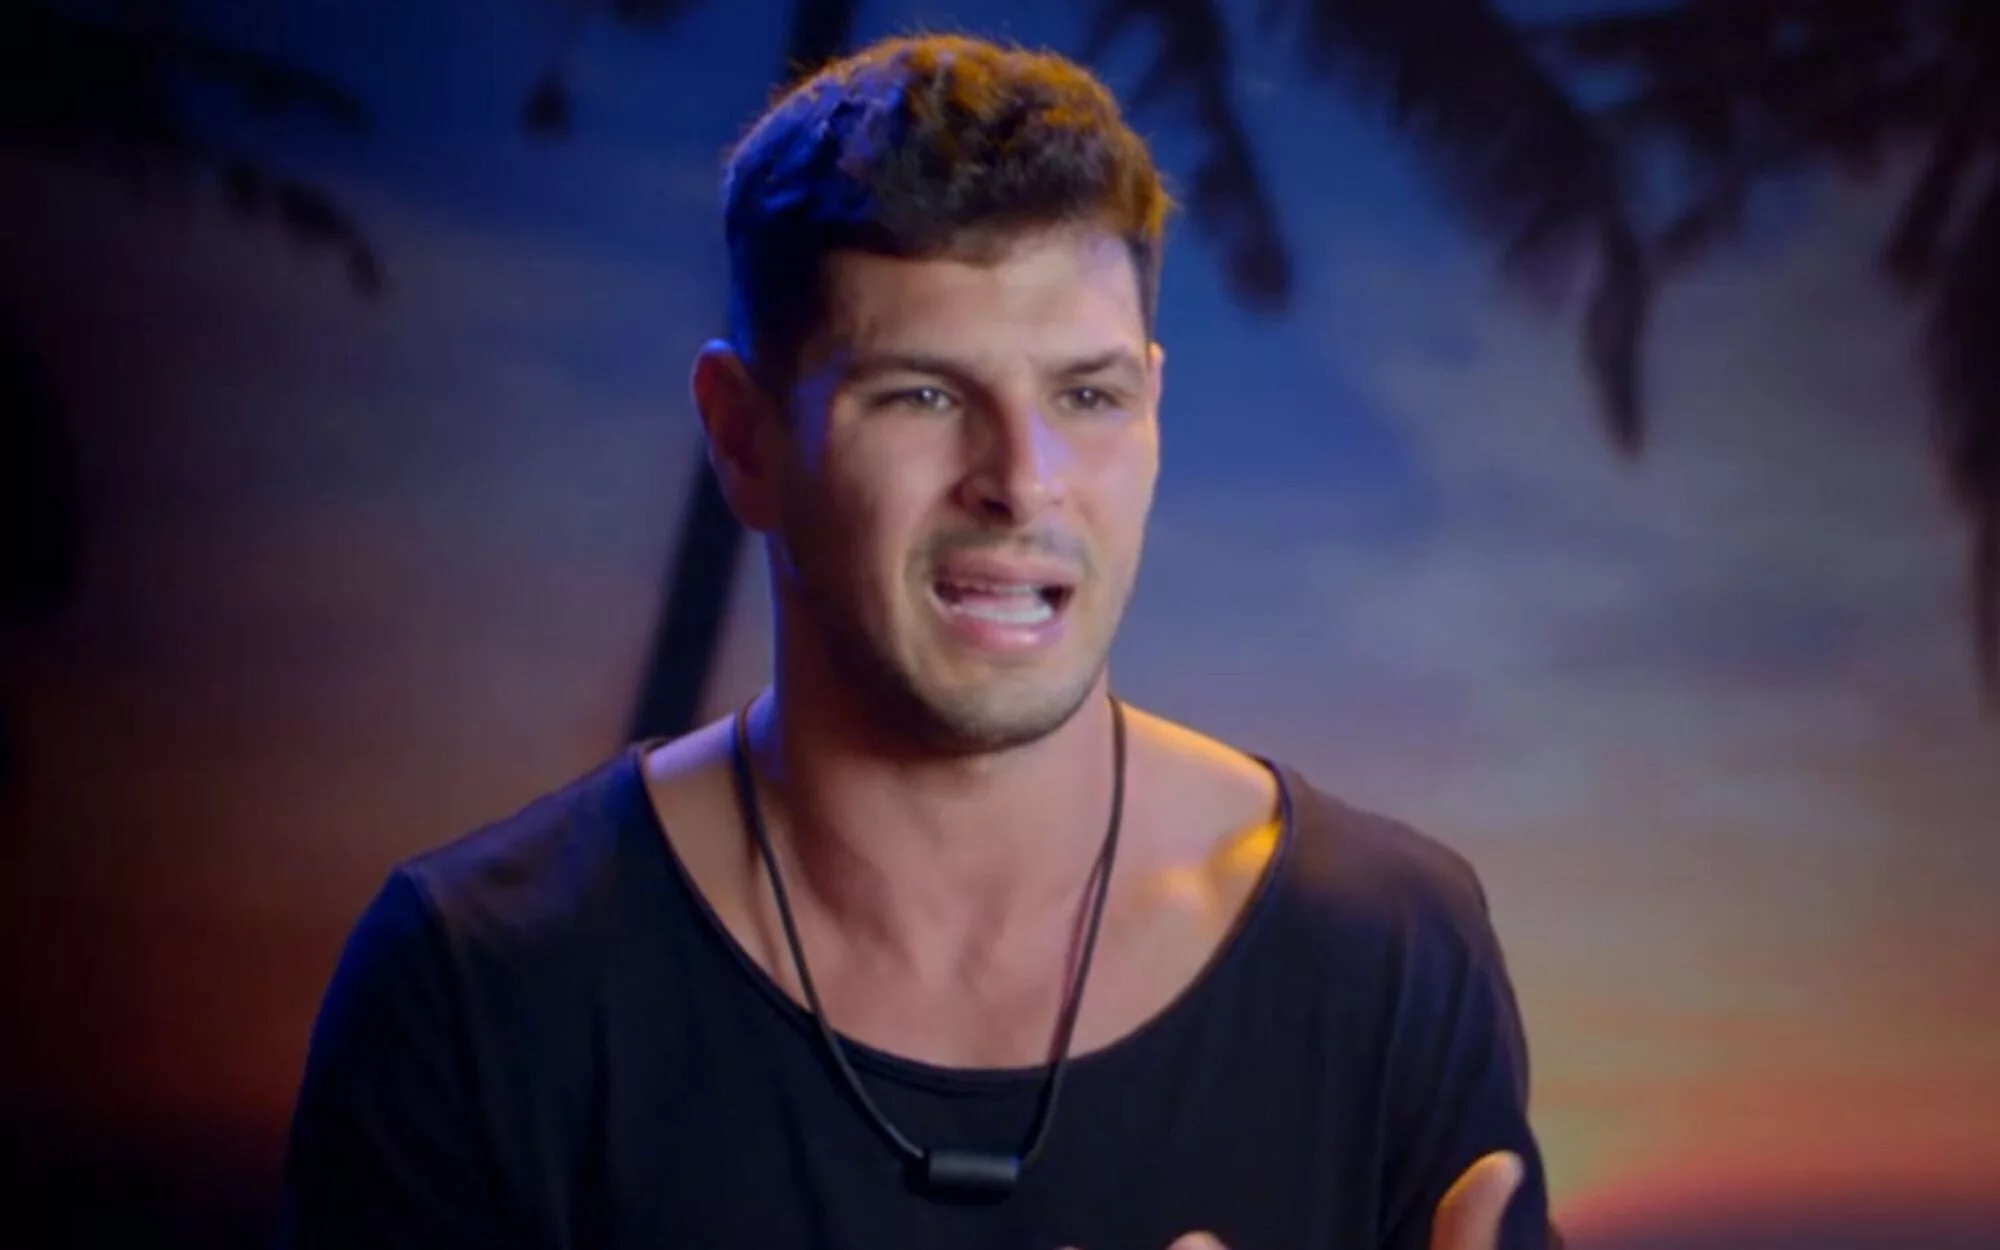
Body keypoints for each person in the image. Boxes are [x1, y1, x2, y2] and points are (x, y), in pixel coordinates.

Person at [275, 31, 1557, 1250]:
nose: (1023, 480)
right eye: (925, 393)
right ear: (741, 437)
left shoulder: (1387, 949)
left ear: (1154, 410)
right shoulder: (479, 980)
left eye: (1086, 394)